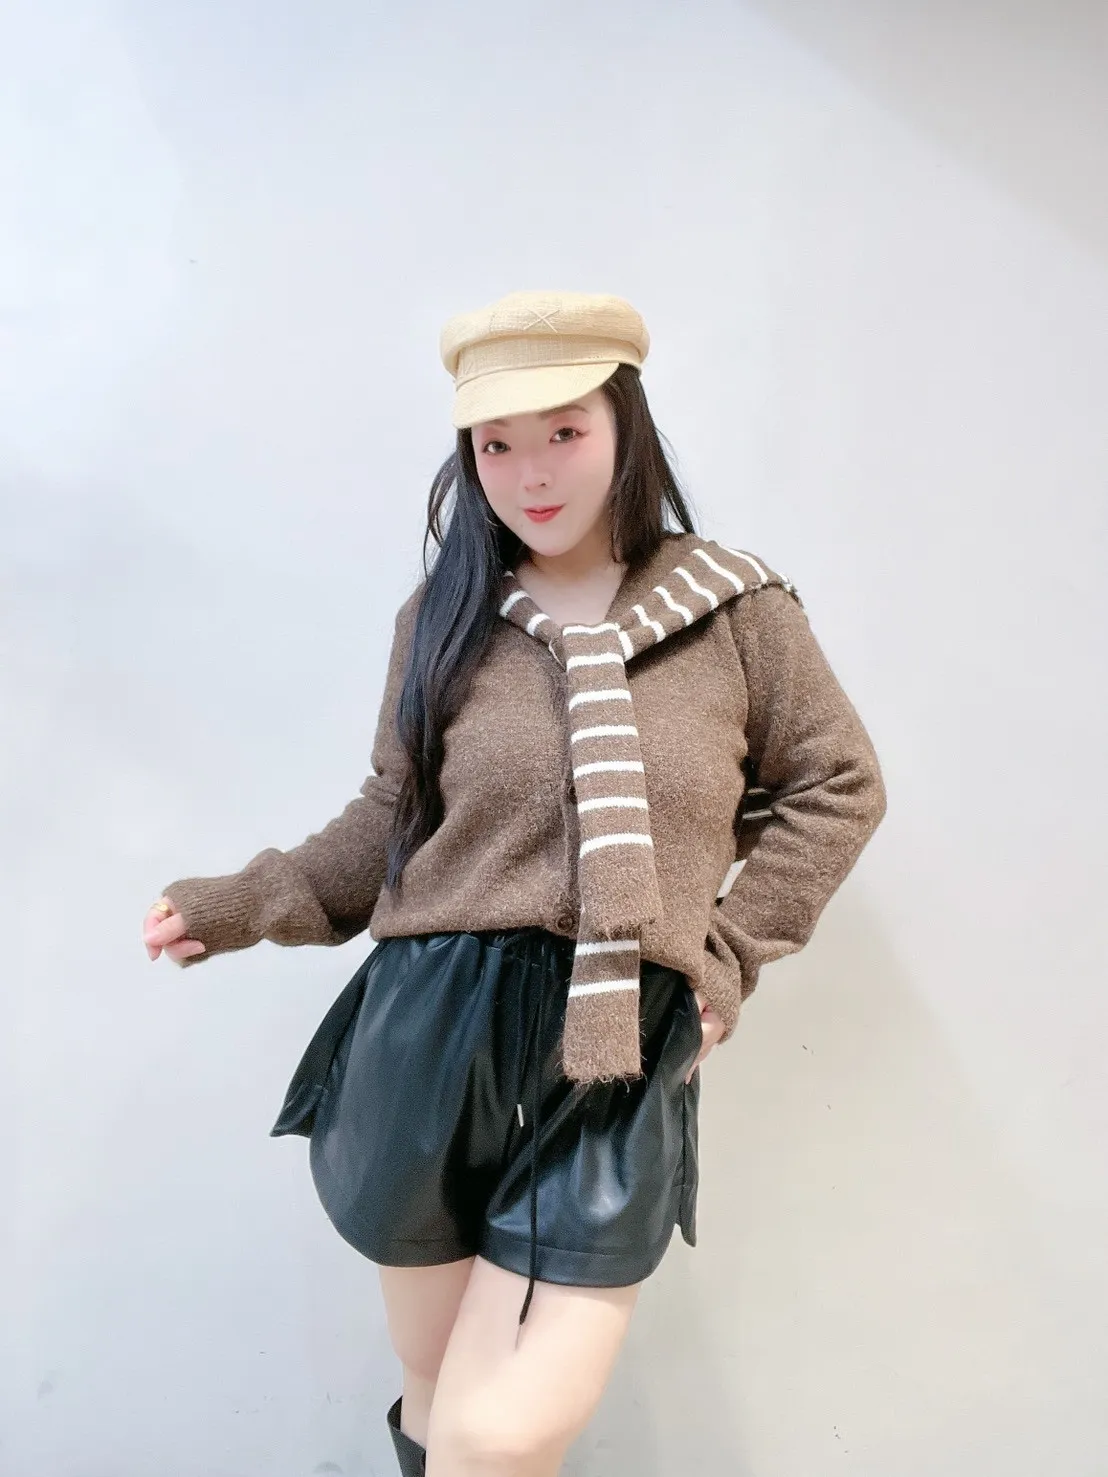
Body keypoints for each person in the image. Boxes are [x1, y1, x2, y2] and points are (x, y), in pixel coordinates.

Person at [142, 289, 887, 1477]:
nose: (530, 473)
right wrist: (238, 903)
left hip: (614, 1042)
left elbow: (836, 786)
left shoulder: (736, 610)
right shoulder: (446, 617)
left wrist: (727, 954)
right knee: (441, 1396)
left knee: (498, 1434)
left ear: (625, 426)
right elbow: (391, 820)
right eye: (496, 444)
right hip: (428, 1039)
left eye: (564, 432)